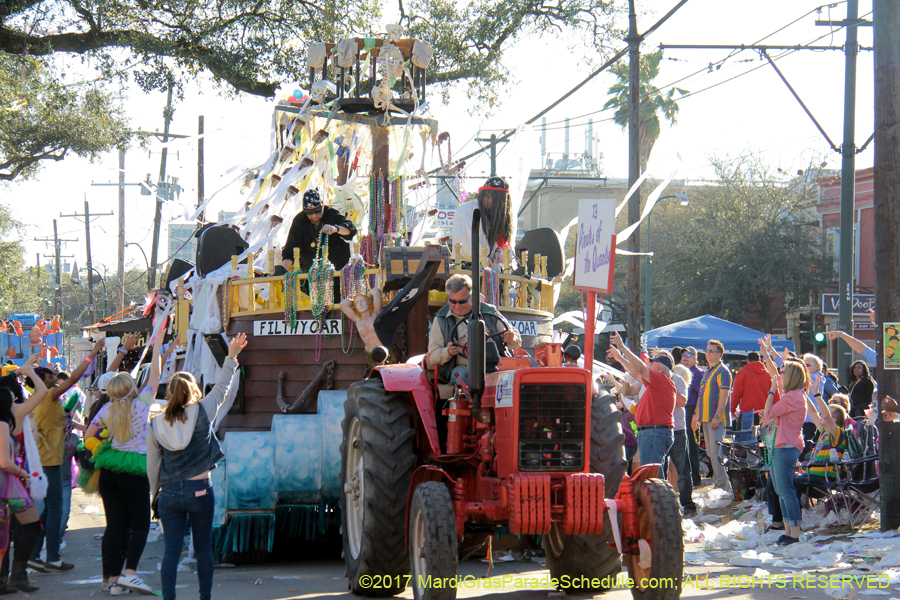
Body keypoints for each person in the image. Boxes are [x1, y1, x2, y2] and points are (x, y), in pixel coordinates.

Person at [147, 333, 247, 600]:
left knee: (170, 551)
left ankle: (169, 597)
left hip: (169, 493)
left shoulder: (156, 424)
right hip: (200, 490)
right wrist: (231, 356)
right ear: (194, 392)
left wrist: (155, 495)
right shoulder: (204, 410)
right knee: (203, 549)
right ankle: (204, 597)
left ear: (169, 393)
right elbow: (223, 387)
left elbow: (153, 466)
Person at [85, 332, 176, 595]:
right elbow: (155, 375)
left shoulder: (105, 410)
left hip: (109, 469)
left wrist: (103, 445)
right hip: (135, 470)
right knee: (140, 525)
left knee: (113, 527)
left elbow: (89, 437)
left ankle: (114, 580)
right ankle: (130, 574)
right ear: (132, 388)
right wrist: (158, 345)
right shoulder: (142, 404)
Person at [26, 338, 104, 574]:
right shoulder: (47, 395)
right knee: (55, 509)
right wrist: (92, 354)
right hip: (49, 461)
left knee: (49, 510)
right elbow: (72, 380)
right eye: (50, 375)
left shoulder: (40, 398)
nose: (54, 377)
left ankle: (35, 555)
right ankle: (52, 557)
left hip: (46, 459)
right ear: (42, 381)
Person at [0, 354, 50, 593]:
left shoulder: (12, 414)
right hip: (13, 479)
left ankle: (4, 579)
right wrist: (29, 373)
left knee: (5, 531)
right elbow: (42, 392)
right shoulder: (15, 415)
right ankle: (17, 576)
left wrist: (20, 372)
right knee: (29, 526)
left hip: (12, 478)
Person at [427, 274, 521, 385]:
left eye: (462, 301)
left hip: (495, 363)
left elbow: (516, 339)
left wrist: (511, 337)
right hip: (463, 367)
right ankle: (473, 396)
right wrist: (448, 351)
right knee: (468, 377)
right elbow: (433, 356)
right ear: (448, 299)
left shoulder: (489, 312)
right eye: (453, 302)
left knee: (519, 375)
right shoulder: (441, 319)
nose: (458, 306)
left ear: (472, 297)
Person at [607, 334, 675, 478]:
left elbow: (640, 369)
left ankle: (658, 493)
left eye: (653, 361)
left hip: (653, 432)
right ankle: (659, 493)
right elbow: (635, 372)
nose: (649, 362)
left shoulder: (661, 379)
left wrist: (623, 349)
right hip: (652, 432)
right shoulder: (658, 382)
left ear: (662, 369)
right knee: (653, 475)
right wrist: (620, 359)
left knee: (652, 476)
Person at [760, 360, 808, 545]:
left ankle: (795, 532)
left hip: (786, 447)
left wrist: (771, 390)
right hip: (783, 446)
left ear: (792, 376)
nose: (780, 375)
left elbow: (769, 411)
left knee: (786, 490)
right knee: (781, 490)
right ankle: (788, 530)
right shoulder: (793, 395)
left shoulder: (792, 397)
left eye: (783, 372)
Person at [281, 189, 357, 274]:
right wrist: (282, 272)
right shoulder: (300, 220)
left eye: (317, 211)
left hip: (336, 272)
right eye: (309, 212)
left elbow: (351, 229)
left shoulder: (331, 214)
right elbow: (290, 249)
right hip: (311, 274)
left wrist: (336, 229)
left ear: (323, 204)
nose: (314, 216)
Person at [691, 340, 733, 493]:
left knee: (716, 453)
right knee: (711, 453)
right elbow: (701, 394)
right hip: (705, 417)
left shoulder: (722, 371)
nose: (707, 353)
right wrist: (696, 415)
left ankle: (723, 487)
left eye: (711, 351)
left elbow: (724, 395)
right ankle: (718, 483)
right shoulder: (708, 371)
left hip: (716, 418)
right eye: (707, 350)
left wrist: (717, 416)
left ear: (719, 354)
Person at [451, 177, 514, 267]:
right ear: (486, 196)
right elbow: (464, 245)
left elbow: (506, 248)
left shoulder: (493, 216)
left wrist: (499, 252)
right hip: (466, 268)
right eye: (497, 200)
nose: (499, 205)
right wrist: (484, 259)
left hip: (487, 268)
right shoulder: (467, 210)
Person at [670, 364, 698, 518]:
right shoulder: (650, 379)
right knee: (661, 469)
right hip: (659, 429)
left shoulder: (678, 380)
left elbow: (682, 401)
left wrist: (668, 384)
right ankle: (665, 503)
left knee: (682, 468)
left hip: (678, 428)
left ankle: (688, 504)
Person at [730, 351, 773, 442]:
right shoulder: (768, 374)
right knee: (764, 442)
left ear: (747, 361)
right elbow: (774, 394)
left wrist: (733, 408)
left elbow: (736, 393)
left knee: (745, 443)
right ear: (760, 360)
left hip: (747, 412)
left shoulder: (742, 372)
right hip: (764, 413)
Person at [681, 347, 705, 486]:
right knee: (682, 447)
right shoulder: (679, 372)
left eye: (688, 355)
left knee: (691, 446)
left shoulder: (698, 373)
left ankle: (695, 479)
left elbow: (701, 395)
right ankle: (685, 478)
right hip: (681, 411)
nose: (685, 357)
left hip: (691, 412)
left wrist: (696, 414)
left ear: (695, 359)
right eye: (683, 355)